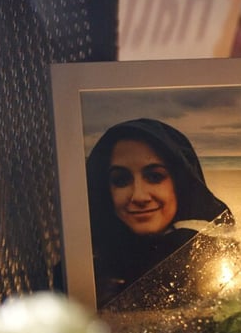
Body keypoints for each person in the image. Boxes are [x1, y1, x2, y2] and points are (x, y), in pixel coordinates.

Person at [85, 118, 232, 308]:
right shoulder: (85, 264)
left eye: (155, 177)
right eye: (121, 180)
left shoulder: (209, 258)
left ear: (180, 183)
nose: (139, 196)